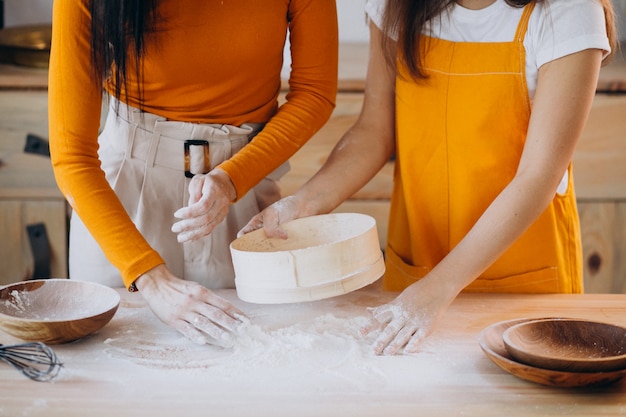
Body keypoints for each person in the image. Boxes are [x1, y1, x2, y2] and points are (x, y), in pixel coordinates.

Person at [239, 0, 618, 355]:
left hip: (520, 282)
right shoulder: (398, 5)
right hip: (416, 274)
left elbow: (538, 176)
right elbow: (374, 130)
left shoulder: (569, 11)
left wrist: (438, 287)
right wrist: (303, 203)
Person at [48, 0, 338, 345]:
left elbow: (315, 92)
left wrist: (233, 178)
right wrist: (149, 277)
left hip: (241, 199)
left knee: (251, 368)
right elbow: (72, 155)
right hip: (119, 203)